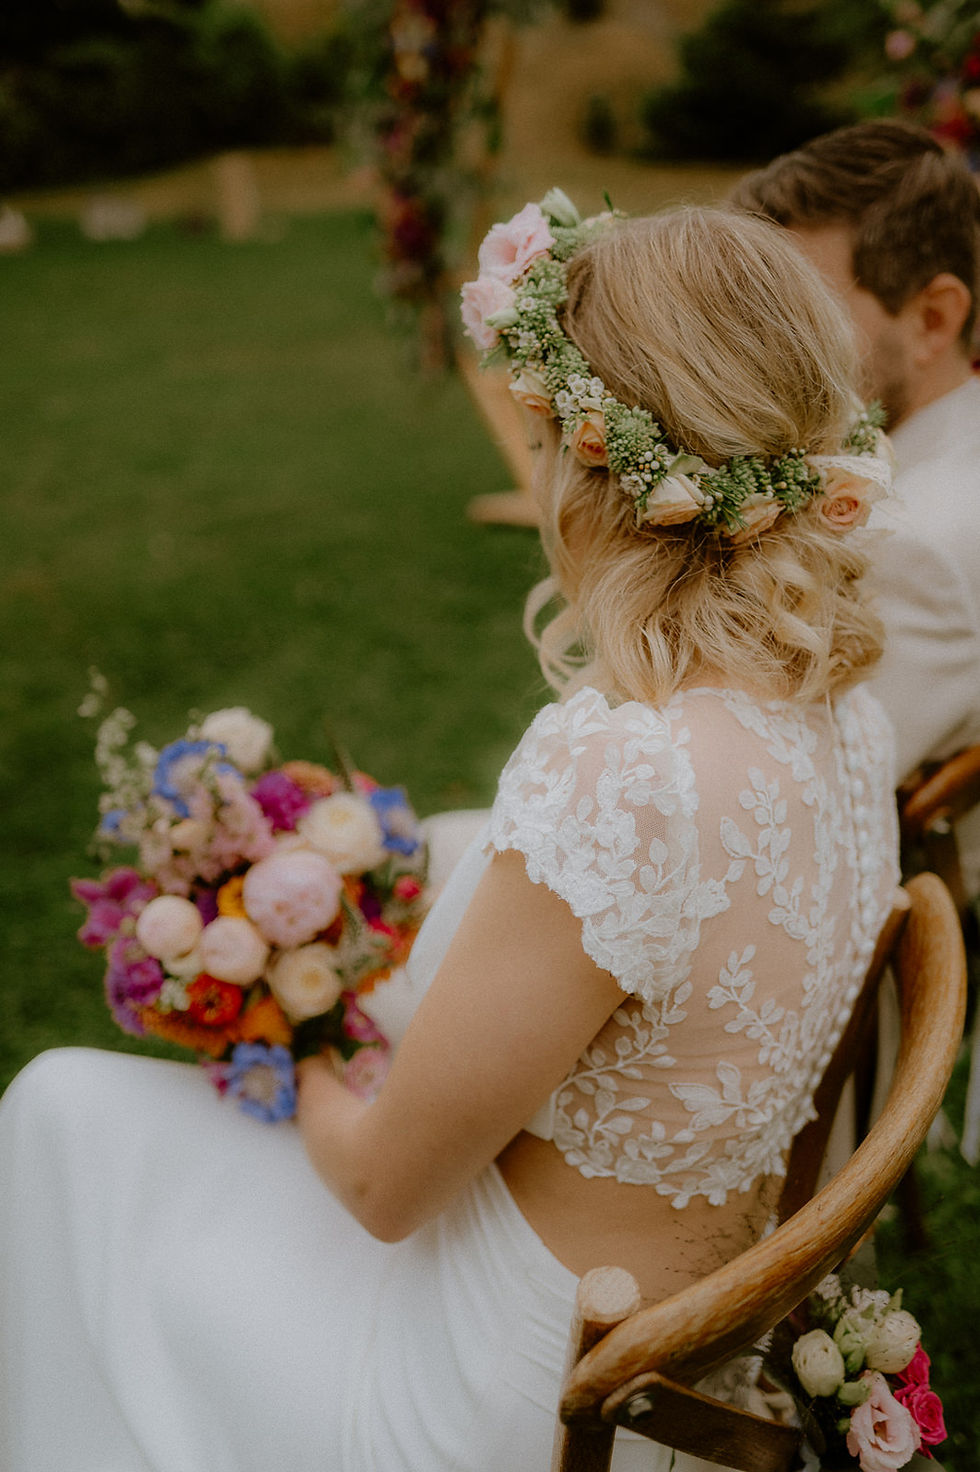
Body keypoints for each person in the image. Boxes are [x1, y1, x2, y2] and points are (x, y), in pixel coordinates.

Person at [0, 201, 901, 1472]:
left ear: (595, 467)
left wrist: (291, 1023)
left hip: (512, 1383)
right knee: (103, 1127)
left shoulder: (622, 767)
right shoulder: (844, 713)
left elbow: (380, 1190)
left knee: (60, 1105)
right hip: (683, 1342)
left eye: (544, 436)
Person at [730, 121, 980, 884]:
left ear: (933, 319)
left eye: (805, 309)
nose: (764, 341)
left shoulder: (916, 541)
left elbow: (780, 808)